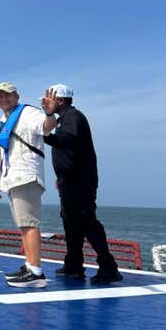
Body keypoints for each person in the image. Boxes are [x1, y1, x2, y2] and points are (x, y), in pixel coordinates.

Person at [41, 84, 122, 285]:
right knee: (70, 222)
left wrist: (44, 136)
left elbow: (67, 140)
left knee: (86, 221)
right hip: (69, 179)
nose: (46, 102)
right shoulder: (64, 119)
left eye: (50, 98)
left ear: (60, 100)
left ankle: (109, 266)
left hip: (80, 180)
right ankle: (74, 265)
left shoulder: (73, 117)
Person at [0, 82, 57, 287]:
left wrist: (49, 113)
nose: (4, 99)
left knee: (29, 224)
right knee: (23, 224)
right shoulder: (4, 120)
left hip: (26, 175)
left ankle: (36, 272)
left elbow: (47, 127)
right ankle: (29, 265)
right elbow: (3, 154)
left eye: (8, 95)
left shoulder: (28, 113)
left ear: (17, 96)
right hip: (12, 178)